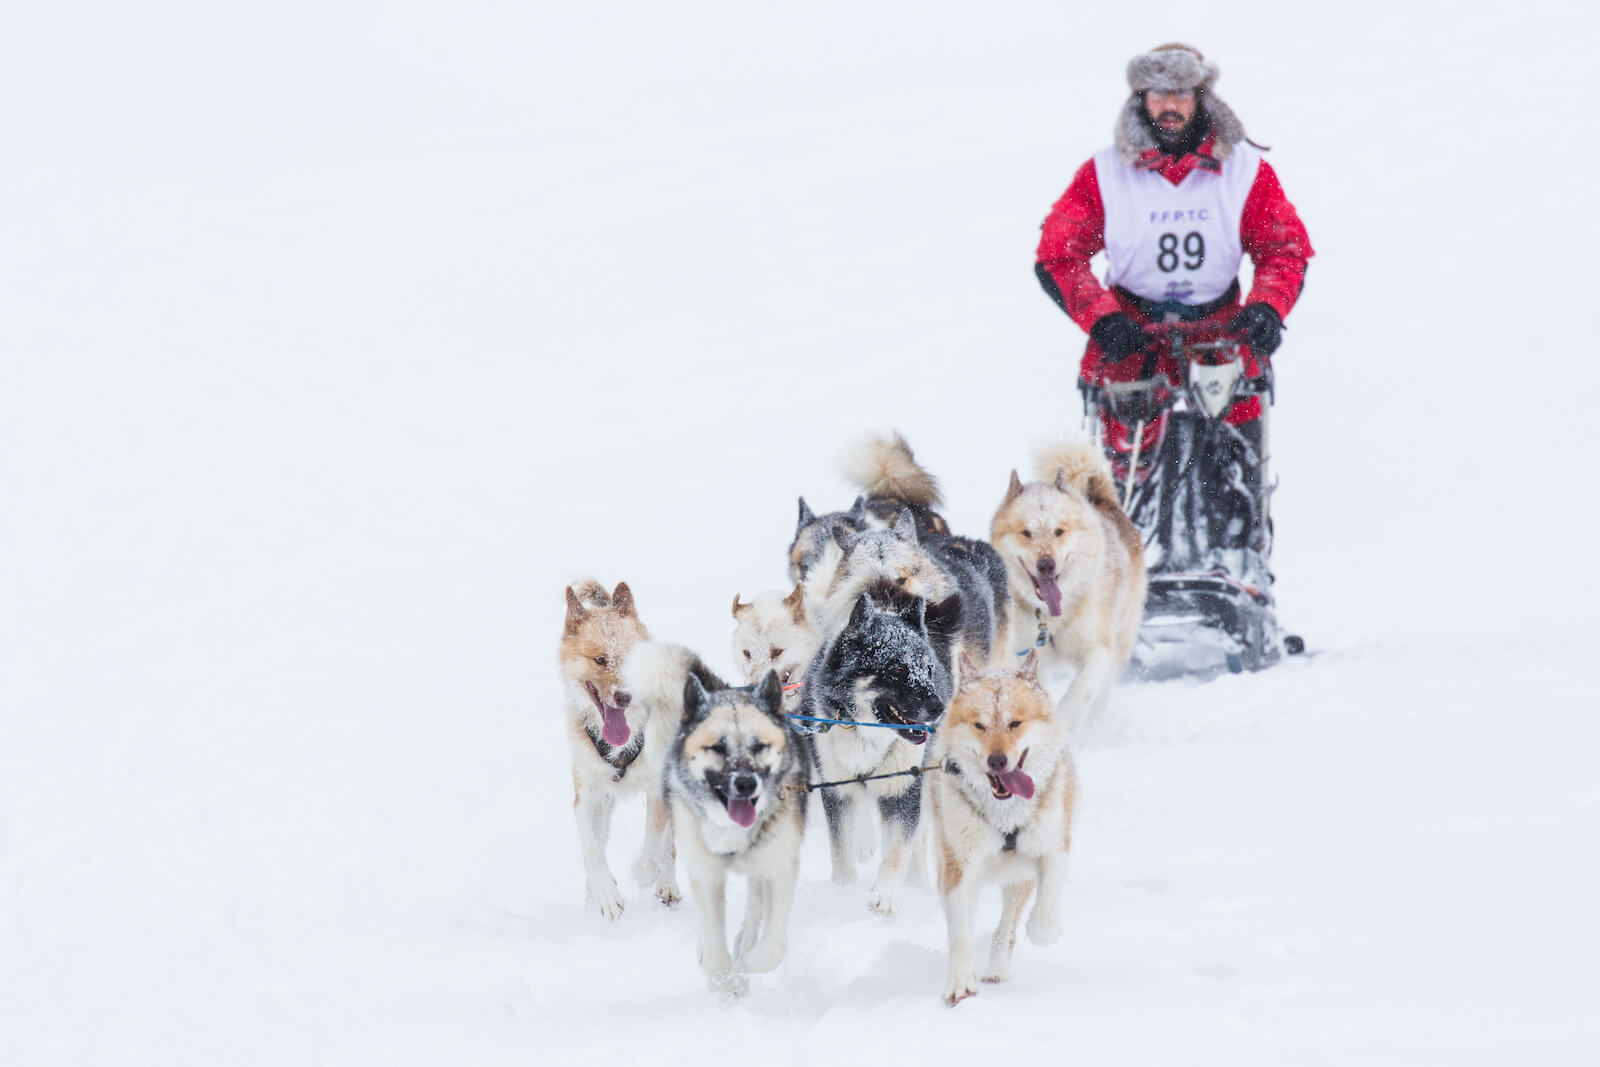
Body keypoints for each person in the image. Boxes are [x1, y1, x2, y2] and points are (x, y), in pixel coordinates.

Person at [1035, 43, 1313, 473]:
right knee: (1123, 468)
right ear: (1140, 98)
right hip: (1133, 330)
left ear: (1201, 96)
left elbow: (1284, 249)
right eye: (1157, 93)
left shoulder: (1244, 170)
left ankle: (1234, 521)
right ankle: (1130, 518)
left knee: (1233, 460)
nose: (1169, 105)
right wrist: (1103, 319)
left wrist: (1267, 307)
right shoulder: (1103, 172)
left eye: (1180, 92)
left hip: (1220, 328)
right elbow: (1058, 255)